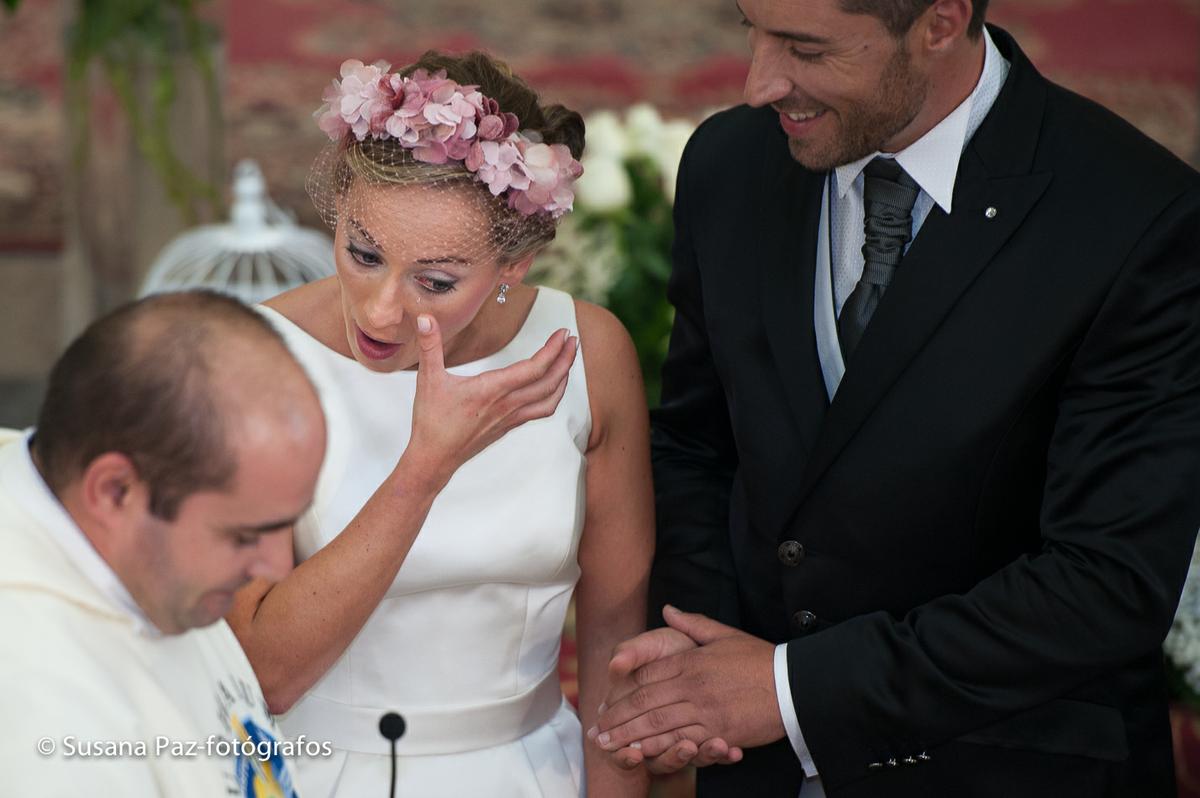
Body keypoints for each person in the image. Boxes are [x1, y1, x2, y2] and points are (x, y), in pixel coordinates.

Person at [588, 1, 1200, 796]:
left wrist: (787, 691)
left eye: (805, 48)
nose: (757, 84)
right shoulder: (729, 163)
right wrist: (705, 660)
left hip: (1007, 769)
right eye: (753, 30)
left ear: (940, 22)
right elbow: (697, 442)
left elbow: (1105, 582)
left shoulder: (1138, 216)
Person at [226, 51, 654, 797]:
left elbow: (619, 648)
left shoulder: (590, 352)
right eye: (363, 253)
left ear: (514, 265)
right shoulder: (255, 359)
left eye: (436, 280)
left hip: (533, 773)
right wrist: (425, 468)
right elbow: (264, 670)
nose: (383, 309)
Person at [0, 291, 325, 797]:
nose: (279, 567)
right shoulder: (39, 704)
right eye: (244, 535)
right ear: (114, 491)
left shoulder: (150, 569)